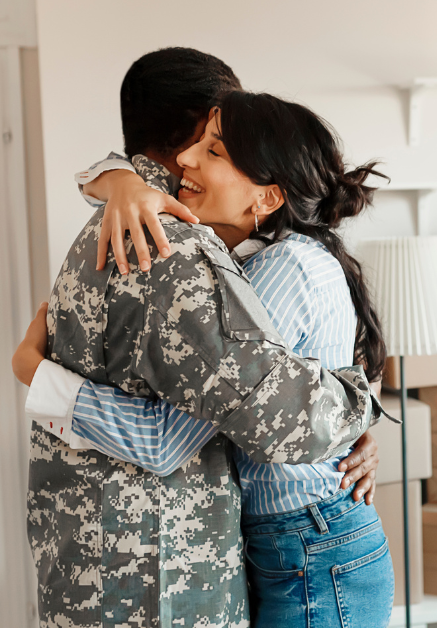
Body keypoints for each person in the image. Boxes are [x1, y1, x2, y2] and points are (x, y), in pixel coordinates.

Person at [21, 48, 388, 628]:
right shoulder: (180, 248)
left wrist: (36, 376)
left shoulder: (261, 262)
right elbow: (183, 436)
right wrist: (356, 408)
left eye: (217, 148)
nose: (195, 158)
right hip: (178, 561)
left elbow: (262, 405)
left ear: (267, 194)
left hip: (292, 542)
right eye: (208, 137)